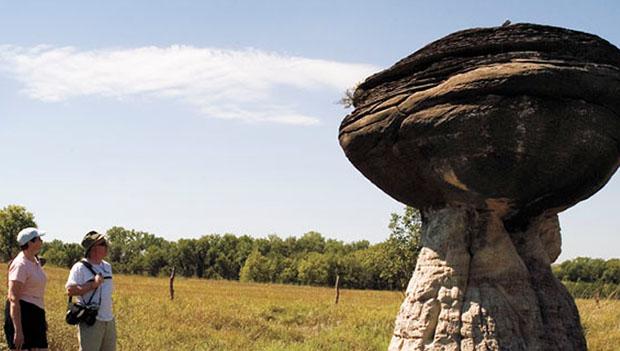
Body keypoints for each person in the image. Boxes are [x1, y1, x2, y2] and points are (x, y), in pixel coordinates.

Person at [66, 231, 116, 351]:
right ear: (93, 248)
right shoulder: (80, 267)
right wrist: (93, 284)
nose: (107, 246)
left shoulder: (107, 266)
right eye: (103, 243)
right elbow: (70, 290)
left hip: (108, 319)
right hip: (91, 320)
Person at [4, 227, 48, 351]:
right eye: (39, 239)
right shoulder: (20, 264)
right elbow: (13, 299)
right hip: (22, 313)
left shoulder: (35, 261)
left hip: (36, 312)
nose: (41, 241)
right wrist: (18, 331)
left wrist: (41, 318)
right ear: (30, 243)